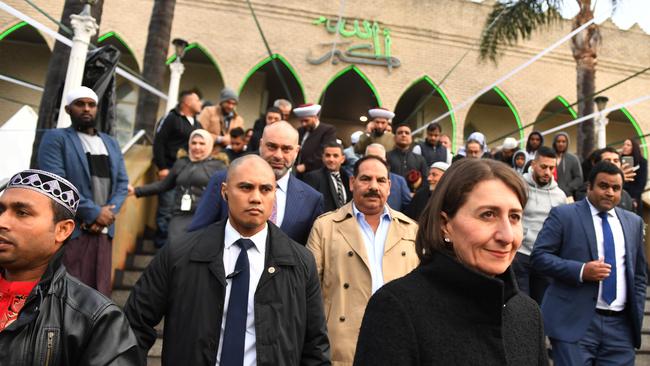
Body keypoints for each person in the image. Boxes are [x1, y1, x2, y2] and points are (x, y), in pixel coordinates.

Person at [125, 155, 330, 365]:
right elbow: (134, 326)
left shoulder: (301, 263)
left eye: (266, 189)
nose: (256, 198)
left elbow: (315, 347)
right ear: (224, 192)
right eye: (245, 187)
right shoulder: (180, 253)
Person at [353, 159, 547, 365]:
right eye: (488, 215)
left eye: (515, 217)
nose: (507, 236)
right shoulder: (396, 309)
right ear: (445, 224)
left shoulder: (527, 313)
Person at [0, 169, 139, 365]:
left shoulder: (95, 318)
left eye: (22, 213)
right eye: (0, 210)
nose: (2, 221)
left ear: (62, 230)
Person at [531, 162, 647, 365]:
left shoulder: (633, 222)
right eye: (604, 186)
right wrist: (582, 271)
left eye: (616, 188)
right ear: (589, 187)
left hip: (621, 329)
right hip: (575, 324)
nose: (610, 192)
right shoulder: (564, 215)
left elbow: (638, 275)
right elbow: (539, 257)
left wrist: (634, 314)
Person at [307, 155, 419, 365]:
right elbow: (309, 292)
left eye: (381, 180)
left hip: (399, 343)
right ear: (352, 183)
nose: (373, 186)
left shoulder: (411, 230)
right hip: (341, 347)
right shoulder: (325, 227)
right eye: (366, 179)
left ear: (389, 186)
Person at [38, 86, 128, 296]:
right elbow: (56, 184)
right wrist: (95, 213)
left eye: (91, 104)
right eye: (80, 104)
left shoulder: (111, 143)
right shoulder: (56, 138)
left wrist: (107, 214)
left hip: (103, 233)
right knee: (68, 295)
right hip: (73, 231)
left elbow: (123, 183)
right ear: (68, 109)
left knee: (99, 295)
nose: (86, 109)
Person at [188, 121, 323, 244]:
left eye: (286, 149)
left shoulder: (312, 199)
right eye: (271, 146)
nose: (278, 155)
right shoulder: (223, 179)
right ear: (261, 144)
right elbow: (198, 234)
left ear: (296, 151)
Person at [128, 129, 226, 243]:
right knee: (174, 249)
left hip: (204, 217)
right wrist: (136, 191)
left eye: (202, 143)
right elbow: (163, 185)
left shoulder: (218, 166)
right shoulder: (181, 162)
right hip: (180, 214)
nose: (197, 147)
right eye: (193, 143)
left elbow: (225, 193)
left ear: (209, 145)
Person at [512, 147, 566, 304]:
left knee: (542, 305)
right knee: (520, 305)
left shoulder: (560, 196)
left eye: (551, 168)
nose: (547, 172)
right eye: (543, 167)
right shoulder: (518, 186)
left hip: (545, 256)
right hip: (520, 254)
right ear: (533, 164)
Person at [151, 89, 202, 247]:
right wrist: (162, 167)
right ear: (187, 102)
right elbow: (159, 142)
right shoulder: (172, 118)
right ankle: (161, 245)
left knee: (181, 208)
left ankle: (175, 245)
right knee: (166, 207)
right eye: (197, 100)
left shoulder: (197, 124)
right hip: (170, 168)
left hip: (189, 173)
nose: (200, 103)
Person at [574, 147, 635, 212]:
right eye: (607, 160)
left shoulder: (626, 196)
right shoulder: (585, 189)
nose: (612, 163)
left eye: (616, 161)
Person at [302, 141, 351, 212]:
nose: (331, 159)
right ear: (323, 157)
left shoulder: (348, 177)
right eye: (328, 155)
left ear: (342, 159)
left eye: (335, 156)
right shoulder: (313, 177)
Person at [365, 144, 412, 212]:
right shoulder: (358, 181)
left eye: (378, 158)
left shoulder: (399, 182)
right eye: (371, 158)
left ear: (385, 160)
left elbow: (409, 208)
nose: (374, 162)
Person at [294, 103, 337, 175]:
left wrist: (306, 166)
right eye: (301, 121)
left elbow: (323, 151)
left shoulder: (328, 130)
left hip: (315, 173)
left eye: (306, 120)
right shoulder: (300, 130)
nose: (303, 124)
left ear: (315, 117)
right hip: (297, 171)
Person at [387, 124, 428, 193]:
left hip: (414, 199)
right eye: (400, 133)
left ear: (411, 138)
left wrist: (417, 195)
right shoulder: (386, 157)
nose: (403, 135)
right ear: (394, 138)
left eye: (407, 133)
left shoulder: (420, 159)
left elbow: (425, 181)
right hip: (391, 196)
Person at [552, 132, 583, 199]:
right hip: (550, 194)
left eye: (563, 141)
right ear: (555, 143)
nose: (561, 144)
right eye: (558, 141)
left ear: (567, 143)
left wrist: (567, 188)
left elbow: (578, 178)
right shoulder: (549, 157)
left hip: (567, 196)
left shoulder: (573, 158)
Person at [621, 138, 647, 214]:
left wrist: (634, 198)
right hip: (620, 195)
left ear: (634, 147)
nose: (625, 146)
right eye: (624, 144)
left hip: (634, 197)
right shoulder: (618, 160)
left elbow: (642, 182)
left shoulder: (641, 162)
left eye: (628, 145)